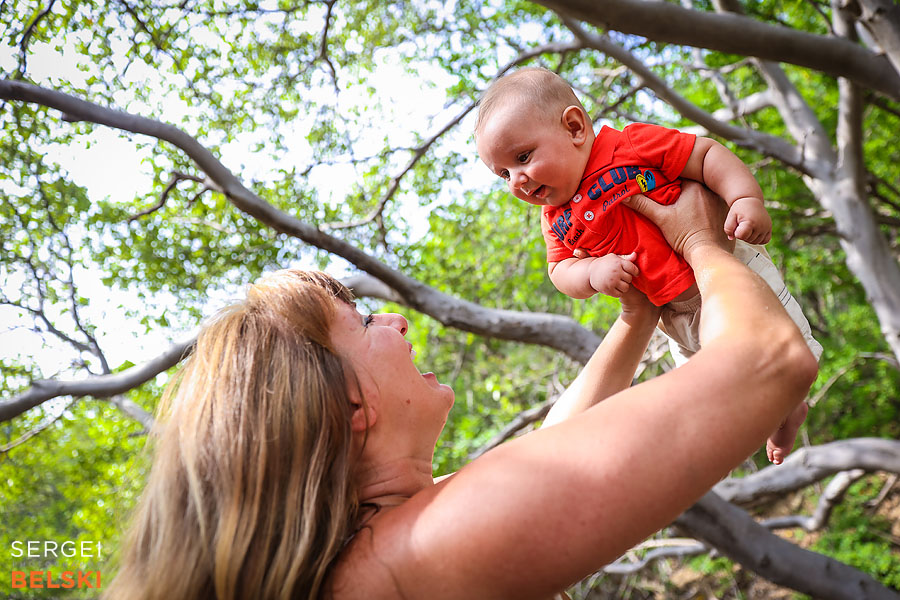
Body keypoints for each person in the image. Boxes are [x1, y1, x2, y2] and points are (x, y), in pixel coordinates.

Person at [104, 184, 818, 600]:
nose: (397, 321)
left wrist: (637, 319)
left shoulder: (381, 553)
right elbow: (767, 360)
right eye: (363, 319)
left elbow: (550, 453)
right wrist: (700, 241)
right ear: (352, 406)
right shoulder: (414, 551)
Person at [474, 66, 822, 465]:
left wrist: (745, 199)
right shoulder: (555, 219)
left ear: (574, 128)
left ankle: (789, 403)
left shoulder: (630, 145)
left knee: (778, 347)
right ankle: (771, 418)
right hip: (670, 314)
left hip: (729, 268)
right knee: (712, 391)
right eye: (503, 173)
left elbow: (705, 155)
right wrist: (590, 273)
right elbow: (559, 271)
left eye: (522, 157)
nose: (516, 180)